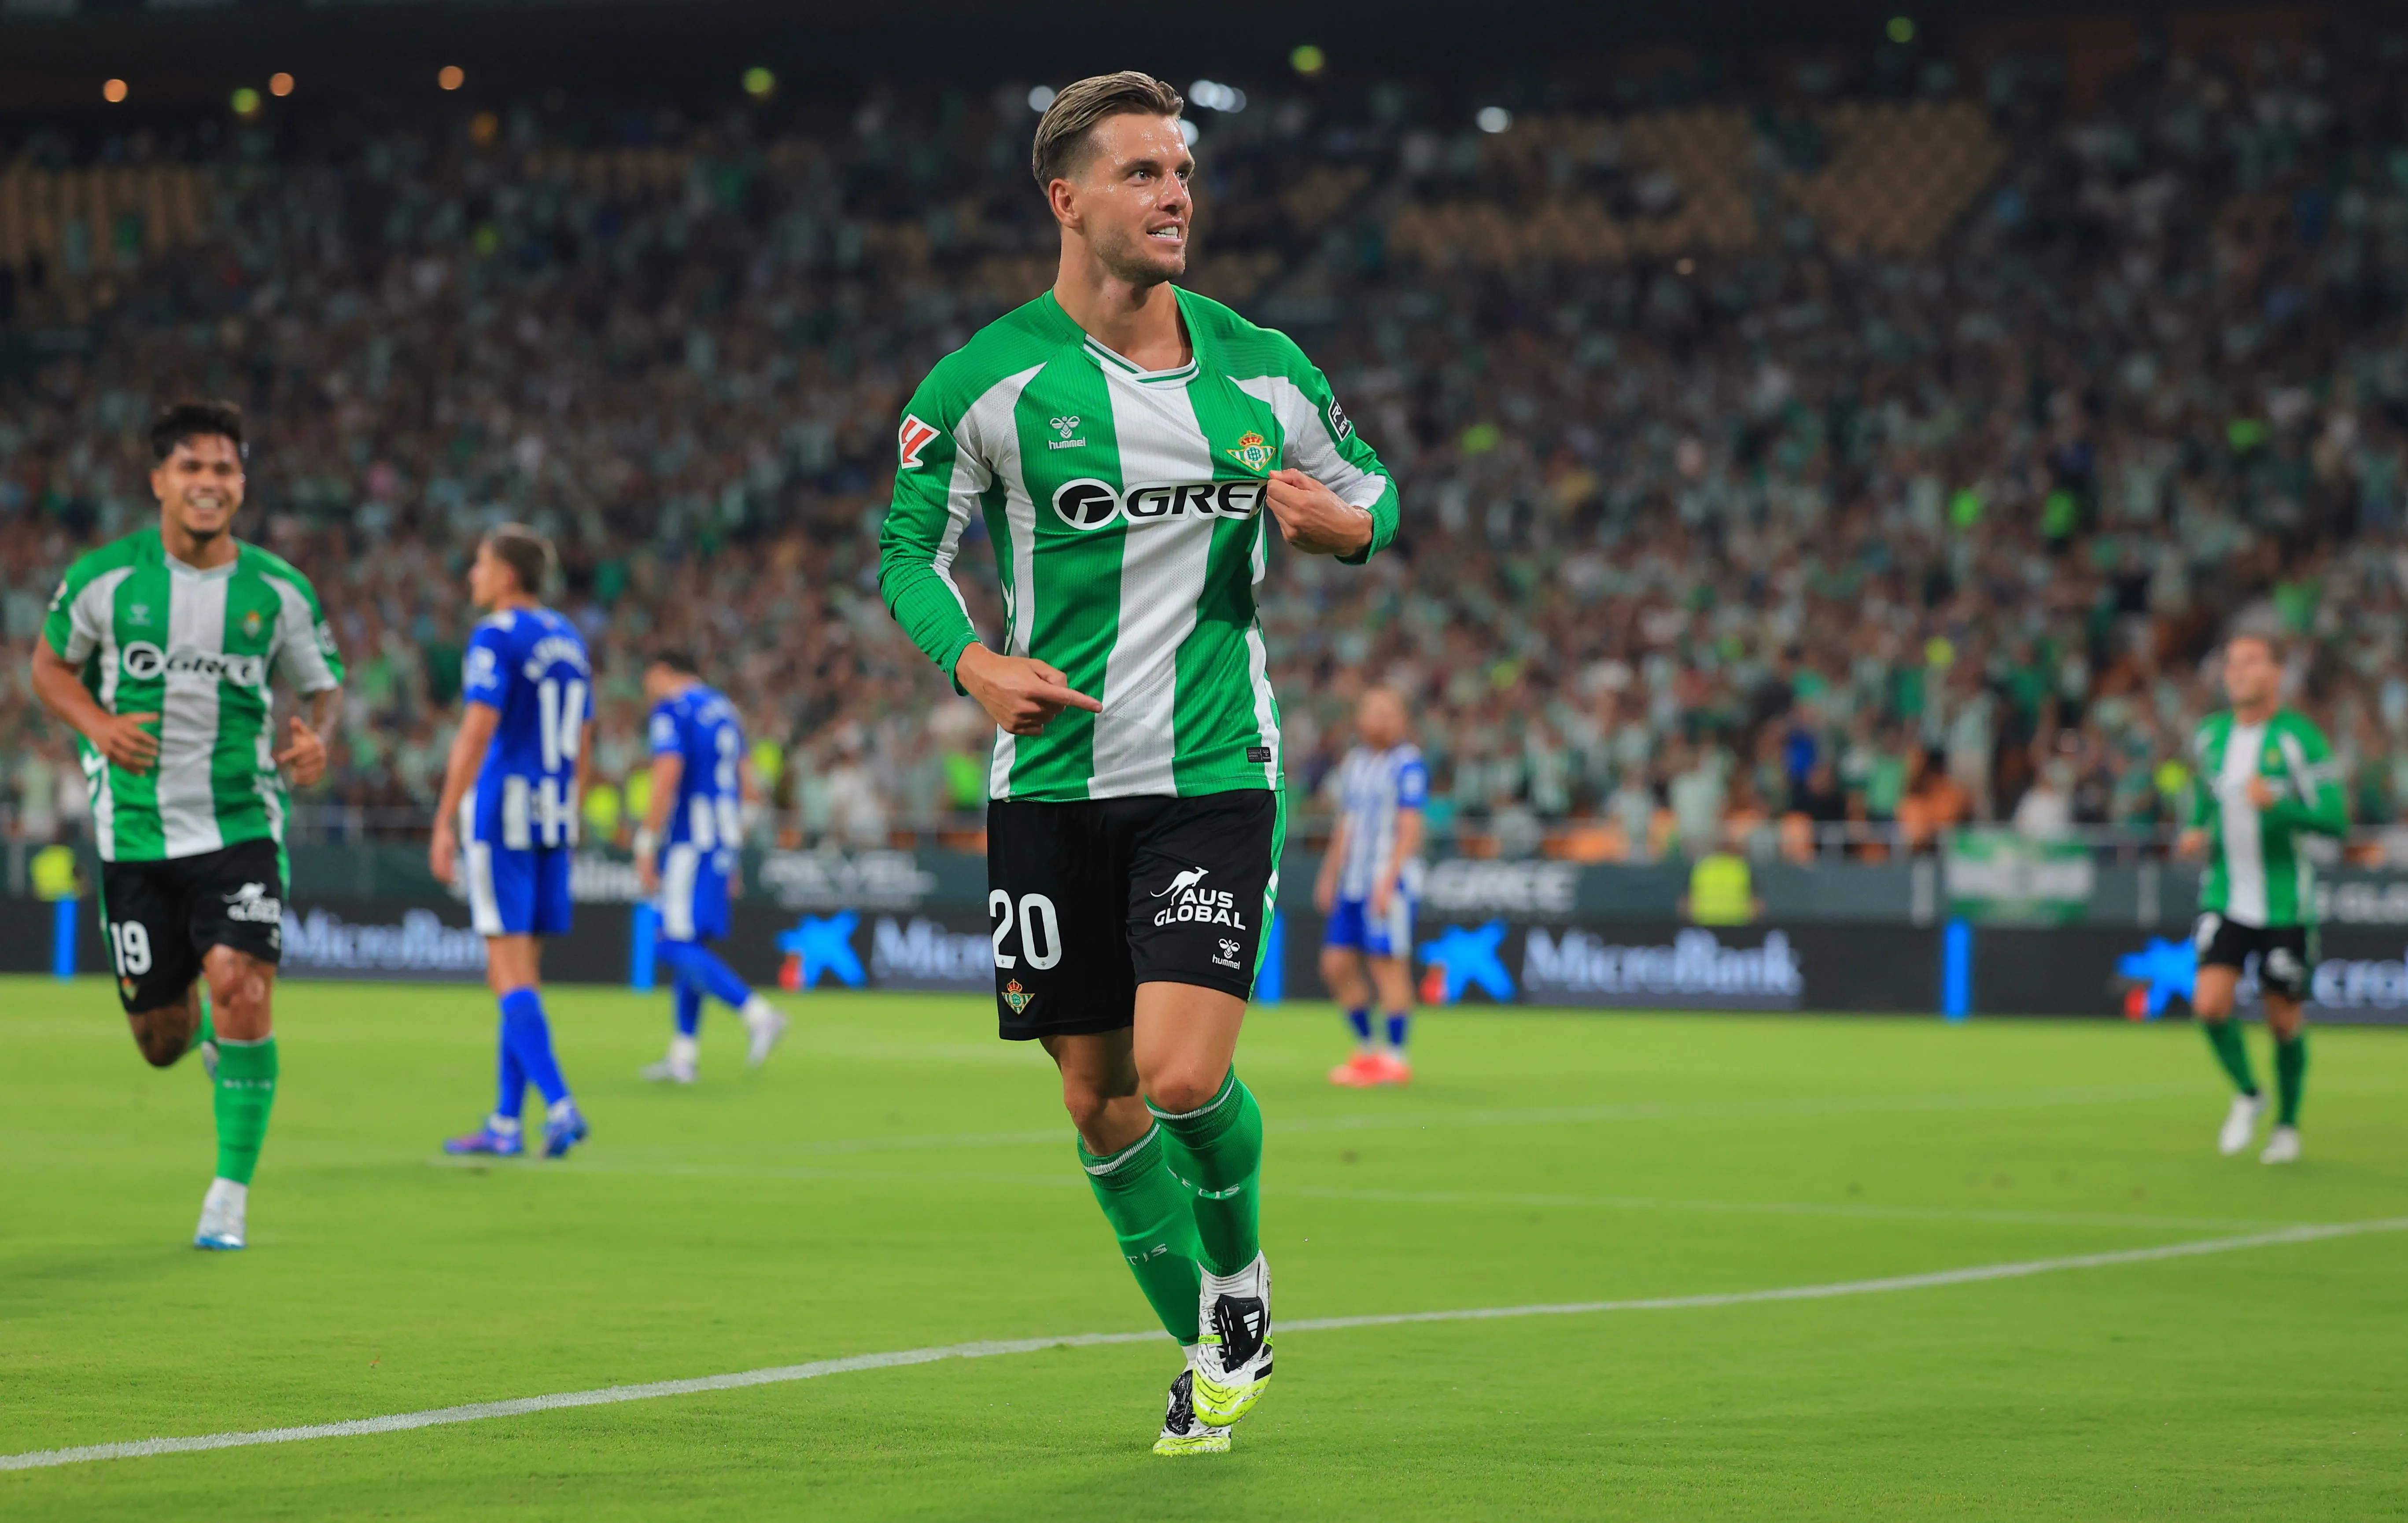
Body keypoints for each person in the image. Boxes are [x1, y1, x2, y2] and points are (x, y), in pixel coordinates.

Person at [877, 72, 1399, 1456]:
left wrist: (1343, 534)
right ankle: (1199, 1345)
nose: (1175, 195)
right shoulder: (981, 382)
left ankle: (1237, 1279)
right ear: (1068, 199)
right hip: (1049, 784)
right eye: (1142, 173)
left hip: (1212, 769)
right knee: (1092, 1096)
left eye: (1183, 171)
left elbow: (1370, 492)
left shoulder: (1262, 366)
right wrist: (971, 660)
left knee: (1176, 1079)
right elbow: (906, 551)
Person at [28, 399, 343, 1251]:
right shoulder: (105, 580)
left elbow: (322, 683)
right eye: (193, 468)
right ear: (159, 480)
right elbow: (48, 666)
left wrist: (318, 737)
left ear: (242, 481)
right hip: (133, 832)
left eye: (225, 469)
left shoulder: (278, 591)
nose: (210, 484)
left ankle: (228, 1196)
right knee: (161, 1040)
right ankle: (204, 1035)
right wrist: (97, 727)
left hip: (240, 819)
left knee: (243, 981)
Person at [430, 526, 594, 1159]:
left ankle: (559, 1105)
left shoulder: (496, 635)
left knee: (505, 968)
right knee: (524, 970)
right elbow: (583, 732)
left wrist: (445, 817)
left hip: (504, 813)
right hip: (554, 812)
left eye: (479, 564)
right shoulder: (568, 639)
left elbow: (477, 729)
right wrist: (572, 807)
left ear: (505, 576)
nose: (472, 576)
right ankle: (504, 1123)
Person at [2175, 633, 2345, 1164]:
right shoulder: (2210, 737)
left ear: (2276, 672)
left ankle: (2288, 1125)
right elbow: (2202, 796)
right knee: (2209, 1005)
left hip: (2284, 902)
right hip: (2225, 893)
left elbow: (2336, 820)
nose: (2237, 672)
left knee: (2283, 1022)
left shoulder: (2301, 739)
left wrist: (2278, 807)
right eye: (2231, 663)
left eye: (2250, 662)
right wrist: (2196, 830)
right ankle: (2250, 1093)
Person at [634, 650, 788, 1083]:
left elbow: (666, 776)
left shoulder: (673, 709)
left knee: (668, 942)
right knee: (692, 946)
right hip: (719, 841)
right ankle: (683, 1055)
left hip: (689, 843)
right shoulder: (723, 708)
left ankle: (758, 1014)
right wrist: (732, 849)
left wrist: (646, 844)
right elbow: (750, 787)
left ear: (663, 670)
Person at [1315, 688, 1427, 1088]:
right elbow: (1345, 824)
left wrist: (1389, 880)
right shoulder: (1356, 763)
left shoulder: (1408, 764)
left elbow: (1410, 828)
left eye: (1388, 713)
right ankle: (1367, 1049)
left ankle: (1396, 1058)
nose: (1380, 721)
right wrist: (1329, 874)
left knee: (1387, 966)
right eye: (1372, 712)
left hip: (1386, 883)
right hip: (1352, 882)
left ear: (1401, 720)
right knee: (1336, 965)